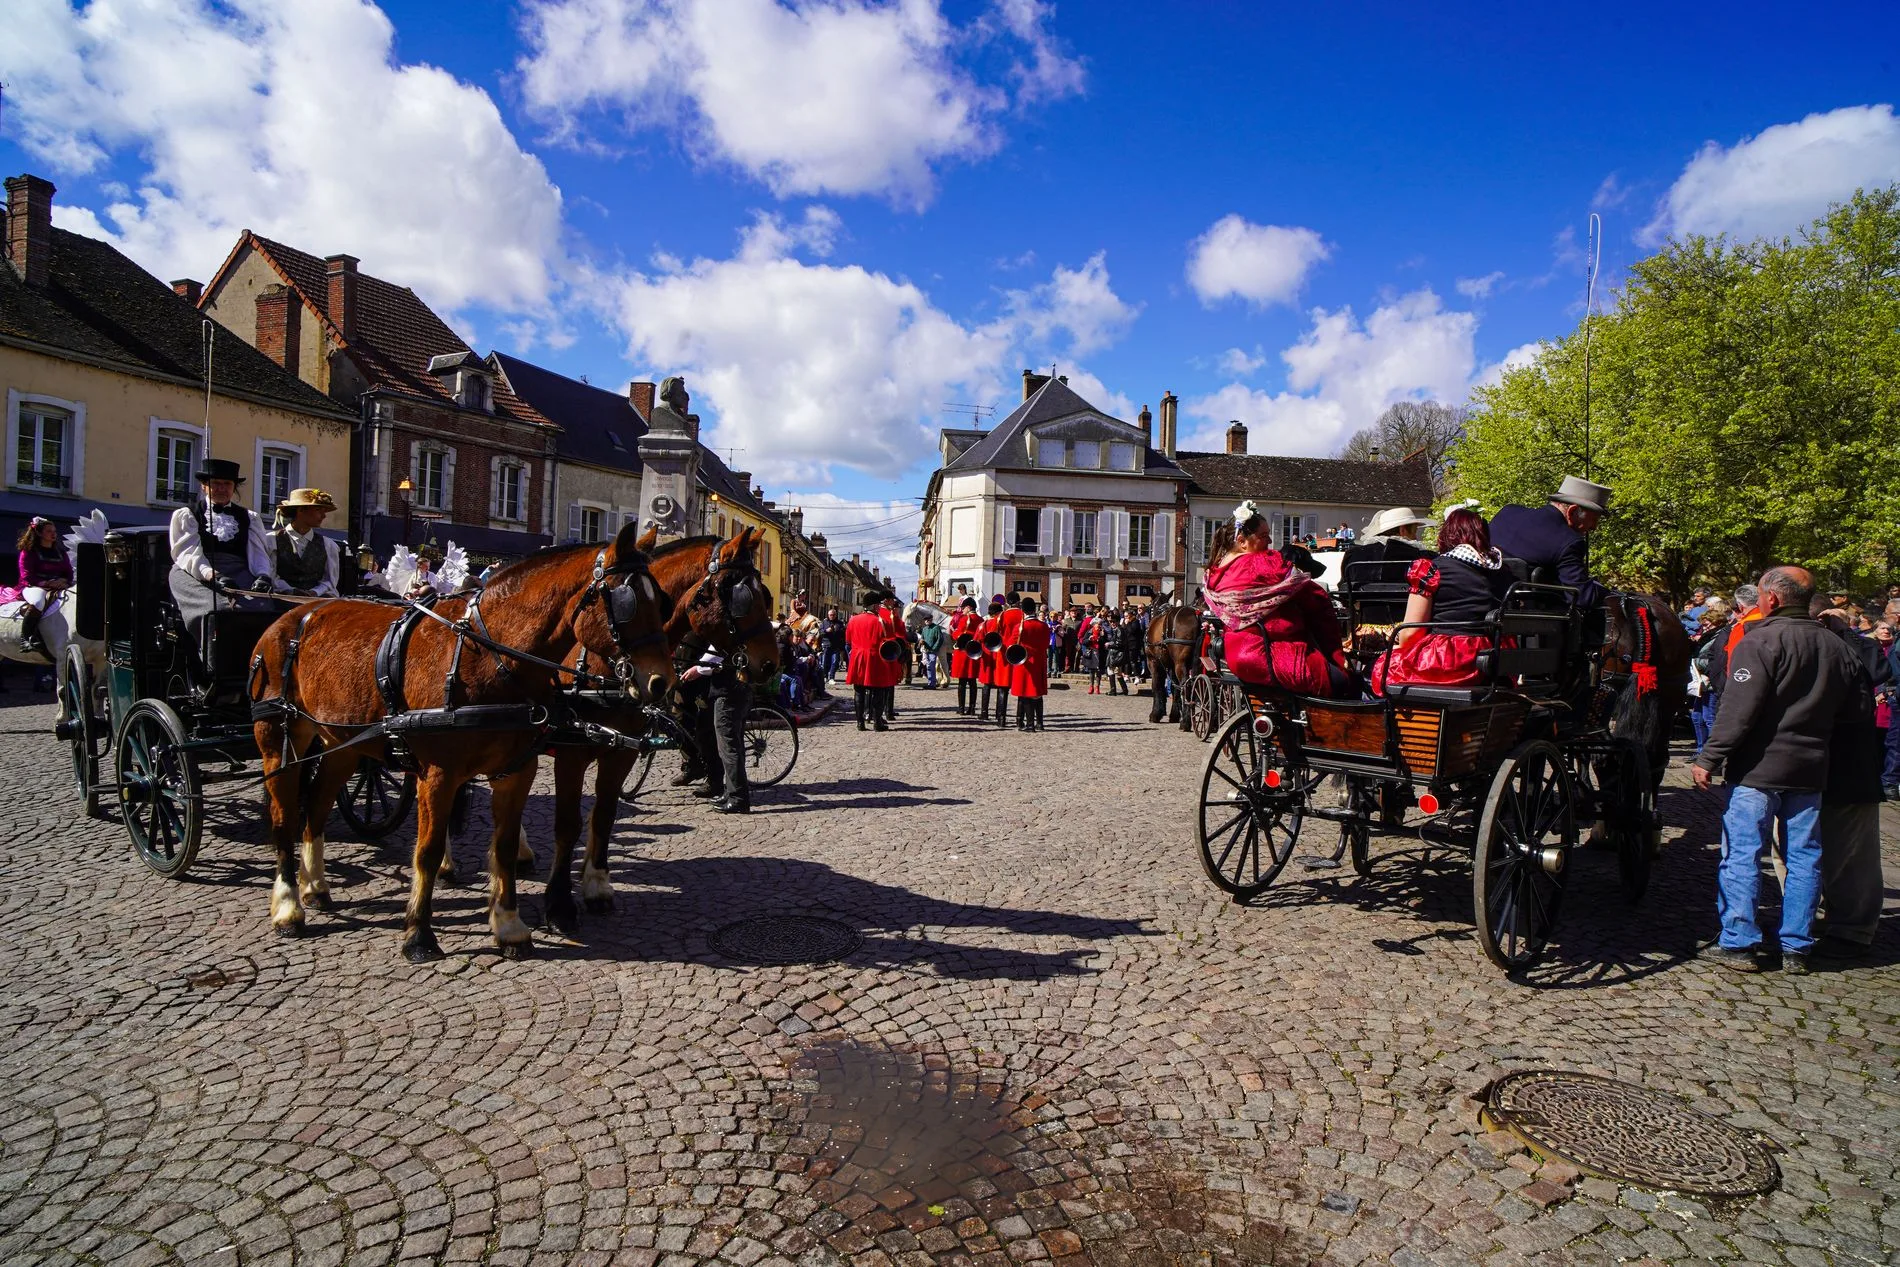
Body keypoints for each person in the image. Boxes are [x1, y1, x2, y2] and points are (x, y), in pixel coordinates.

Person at [1692, 567, 1859, 974]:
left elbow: (1738, 711)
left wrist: (1708, 757)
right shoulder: (1837, 647)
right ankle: (1797, 947)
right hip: (1810, 767)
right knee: (1805, 858)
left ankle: (1739, 943)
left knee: (1744, 854)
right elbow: (1853, 712)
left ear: (1774, 599)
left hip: (1758, 769)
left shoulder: (1760, 640)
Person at [1202, 500, 1350, 697]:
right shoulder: (1264, 563)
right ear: (1241, 540)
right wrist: (1336, 655)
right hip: (1267, 656)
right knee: (1345, 683)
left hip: (1235, 656)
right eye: (1264, 536)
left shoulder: (1214, 574)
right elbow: (1316, 597)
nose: (1270, 542)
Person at [1370, 507, 1512, 693]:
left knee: (1384, 667)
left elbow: (1411, 633)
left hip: (1452, 660)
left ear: (1448, 535)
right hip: (1496, 658)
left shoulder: (1431, 569)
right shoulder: (1502, 570)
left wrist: (1397, 643)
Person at [1813, 610, 1888, 959]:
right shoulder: (1807, 643)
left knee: (1853, 854)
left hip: (1850, 766)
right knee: (1804, 849)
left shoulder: (1855, 649)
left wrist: (1848, 631)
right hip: (1807, 764)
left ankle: (1853, 928)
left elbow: (1879, 670)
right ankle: (1822, 914)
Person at [168, 457, 278, 674]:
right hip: (194, 571)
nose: (221, 488)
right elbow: (188, 553)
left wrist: (263, 575)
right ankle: (212, 668)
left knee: (262, 608)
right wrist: (212, 575)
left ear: (234, 487)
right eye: (215, 483)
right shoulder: (187, 514)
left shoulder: (249, 517)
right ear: (204, 486)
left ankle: (257, 668)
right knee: (215, 610)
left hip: (238, 570)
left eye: (227, 484)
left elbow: (257, 553)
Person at [1488, 475, 1611, 607]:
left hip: (1487, 604)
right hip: (1532, 619)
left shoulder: (1507, 513)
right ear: (1572, 511)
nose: (1594, 527)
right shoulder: (1569, 541)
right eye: (1594, 519)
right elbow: (1583, 597)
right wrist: (1607, 592)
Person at [681, 645, 752, 814]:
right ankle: (731, 791)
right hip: (738, 689)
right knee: (732, 745)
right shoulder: (740, 627)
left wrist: (698, 668)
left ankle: (738, 798)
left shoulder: (728, 632)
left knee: (728, 748)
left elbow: (717, 652)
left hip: (727, 692)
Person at [7, 517, 72, 658]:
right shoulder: (29, 552)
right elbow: (26, 575)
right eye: (49, 531)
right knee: (38, 602)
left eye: (54, 531)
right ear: (39, 533)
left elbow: (69, 573)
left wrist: (64, 581)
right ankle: (26, 639)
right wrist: (47, 583)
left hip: (58, 587)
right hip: (33, 586)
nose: (53, 534)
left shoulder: (61, 553)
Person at [271, 488, 341, 597]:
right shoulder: (272, 540)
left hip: (315, 604)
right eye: (318, 510)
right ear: (300, 510)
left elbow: (330, 581)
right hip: (279, 602)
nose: (324, 516)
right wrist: (291, 590)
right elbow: (270, 575)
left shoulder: (329, 545)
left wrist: (314, 592)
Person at [1688, 598, 1732, 749]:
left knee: (1709, 717)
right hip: (1702, 682)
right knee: (1696, 716)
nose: (1704, 628)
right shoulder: (1708, 636)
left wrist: (1695, 662)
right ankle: (1701, 749)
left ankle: (1711, 752)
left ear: (1717, 623)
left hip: (1711, 681)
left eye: (1707, 625)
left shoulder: (1720, 636)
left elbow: (1717, 661)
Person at [845, 590, 892, 732]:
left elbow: (848, 640)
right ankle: (877, 722)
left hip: (858, 658)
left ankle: (860, 722)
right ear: (873, 606)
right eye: (878, 605)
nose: (879, 607)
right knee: (879, 690)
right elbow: (887, 642)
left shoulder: (853, 620)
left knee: (859, 691)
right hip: (874, 658)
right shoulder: (880, 621)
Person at [1009, 597, 1051, 731]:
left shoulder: (1019, 627)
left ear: (1023, 610)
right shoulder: (1043, 625)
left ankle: (1029, 724)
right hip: (1039, 661)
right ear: (1035, 609)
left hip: (1025, 663)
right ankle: (1040, 723)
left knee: (1026, 693)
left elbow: (1011, 645)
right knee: (1037, 694)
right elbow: (1046, 644)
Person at [948, 597, 983, 715]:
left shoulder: (965, 619)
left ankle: (961, 708)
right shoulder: (980, 619)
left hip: (963, 653)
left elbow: (958, 635)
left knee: (962, 682)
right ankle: (972, 708)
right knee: (972, 682)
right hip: (974, 653)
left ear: (969, 607)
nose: (962, 610)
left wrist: (953, 631)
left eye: (963, 608)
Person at [977, 598, 1006, 721]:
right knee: (1001, 686)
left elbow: (977, 639)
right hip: (1000, 657)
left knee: (986, 685)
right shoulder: (1002, 623)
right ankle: (999, 715)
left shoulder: (983, 624)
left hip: (987, 658)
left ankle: (984, 713)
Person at [818, 607, 847, 682]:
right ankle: (825, 676)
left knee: (835, 661)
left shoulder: (839, 623)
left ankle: (831, 677)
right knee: (824, 662)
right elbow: (820, 633)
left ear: (835, 615)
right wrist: (826, 631)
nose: (832, 616)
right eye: (830, 615)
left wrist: (837, 631)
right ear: (828, 615)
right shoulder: (824, 623)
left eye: (833, 615)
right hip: (826, 645)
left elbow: (843, 634)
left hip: (836, 646)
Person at [917, 616, 944, 688]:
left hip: (933, 651)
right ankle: (930, 683)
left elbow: (940, 639)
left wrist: (934, 648)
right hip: (926, 650)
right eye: (925, 620)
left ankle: (932, 684)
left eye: (928, 620)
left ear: (931, 620)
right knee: (928, 667)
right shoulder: (924, 629)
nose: (926, 621)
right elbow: (922, 637)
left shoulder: (936, 628)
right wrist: (921, 642)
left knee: (931, 667)